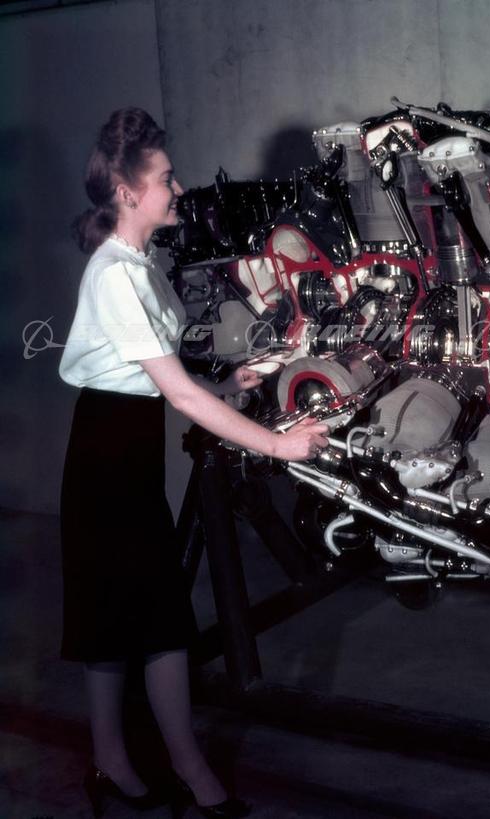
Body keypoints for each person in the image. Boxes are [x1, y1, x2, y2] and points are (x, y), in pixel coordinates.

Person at [59, 108, 328, 818]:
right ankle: (164, 767)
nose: (179, 188)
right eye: (167, 178)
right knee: (138, 617)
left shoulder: (142, 264)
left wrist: (227, 385)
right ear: (128, 191)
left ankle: (138, 763)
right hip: (105, 457)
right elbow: (173, 391)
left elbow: (163, 380)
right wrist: (278, 444)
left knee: (140, 614)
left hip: (129, 443)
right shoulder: (114, 274)